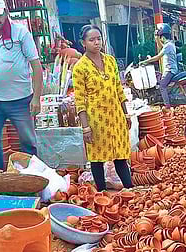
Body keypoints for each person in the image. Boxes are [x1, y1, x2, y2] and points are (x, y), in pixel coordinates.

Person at [0, 0, 43, 170]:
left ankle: (32, 176)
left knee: (28, 141)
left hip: (20, 100)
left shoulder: (21, 33)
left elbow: (36, 66)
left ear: (6, 12)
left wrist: (36, 98)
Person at [72, 25, 133, 192]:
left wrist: (126, 114)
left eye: (99, 39)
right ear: (83, 43)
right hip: (96, 119)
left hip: (116, 116)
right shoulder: (80, 67)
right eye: (92, 40)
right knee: (97, 159)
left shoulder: (110, 61)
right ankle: (101, 194)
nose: (96, 43)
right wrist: (85, 127)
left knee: (120, 155)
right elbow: (80, 100)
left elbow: (118, 89)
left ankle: (130, 189)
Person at [139, 23, 178, 112]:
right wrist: (157, 39)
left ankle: (167, 106)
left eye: (160, 37)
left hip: (170, 70)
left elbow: (157, 57)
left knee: (162, 86)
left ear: (163, 37)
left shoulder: (168, 45)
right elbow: (161, 47)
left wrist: (145, 61)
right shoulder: (170, 44)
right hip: (172, 69)